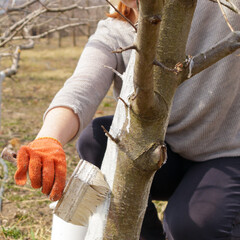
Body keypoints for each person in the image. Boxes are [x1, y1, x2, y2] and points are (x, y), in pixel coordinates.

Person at [14, 0, 240, 239]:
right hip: (163, 155)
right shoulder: (116, 30)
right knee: (96, 138)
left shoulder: (217, 8)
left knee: (192, 227)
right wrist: (48, 138)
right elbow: (81, 87)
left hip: (227, 154)